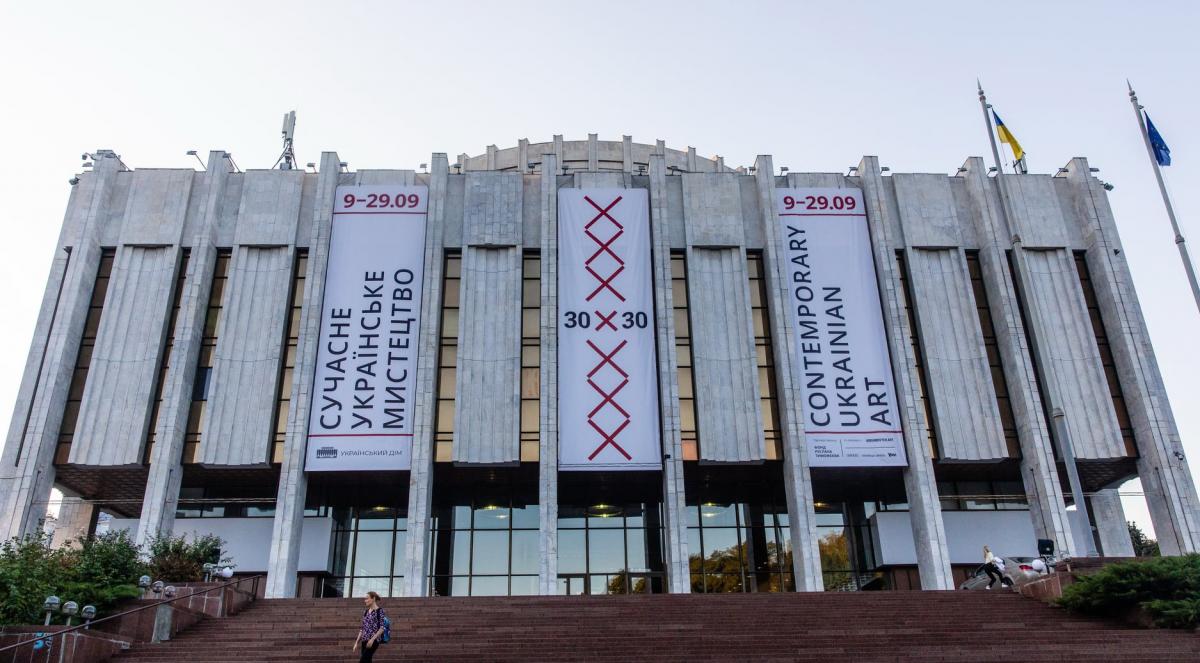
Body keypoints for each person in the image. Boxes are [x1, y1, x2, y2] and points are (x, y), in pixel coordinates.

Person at [352, 591, 387, 662]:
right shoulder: (366, 612)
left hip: (374, 641)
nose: (365, 601)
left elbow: (382, 628)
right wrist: (356, 642)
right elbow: (362, 628)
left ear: (373, 598)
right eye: (365, 599)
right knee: (367, 661)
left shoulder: (380, 611)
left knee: (363, 661)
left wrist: (372, 639)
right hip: (364, 640)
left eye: (367, 598)